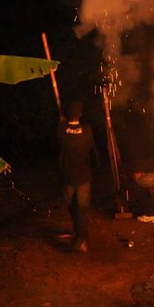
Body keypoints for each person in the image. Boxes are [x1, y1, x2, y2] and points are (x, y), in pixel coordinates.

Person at [57, 100, 100, 252]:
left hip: (67, 176)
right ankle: (80, 236)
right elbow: (92, 149)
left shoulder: (60, 130)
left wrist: (63, 126)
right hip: (83, 175)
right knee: (82, 207)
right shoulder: (87, 130)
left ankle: (80, 237)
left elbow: (56, 146)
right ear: (80, 114)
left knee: (72, 205)